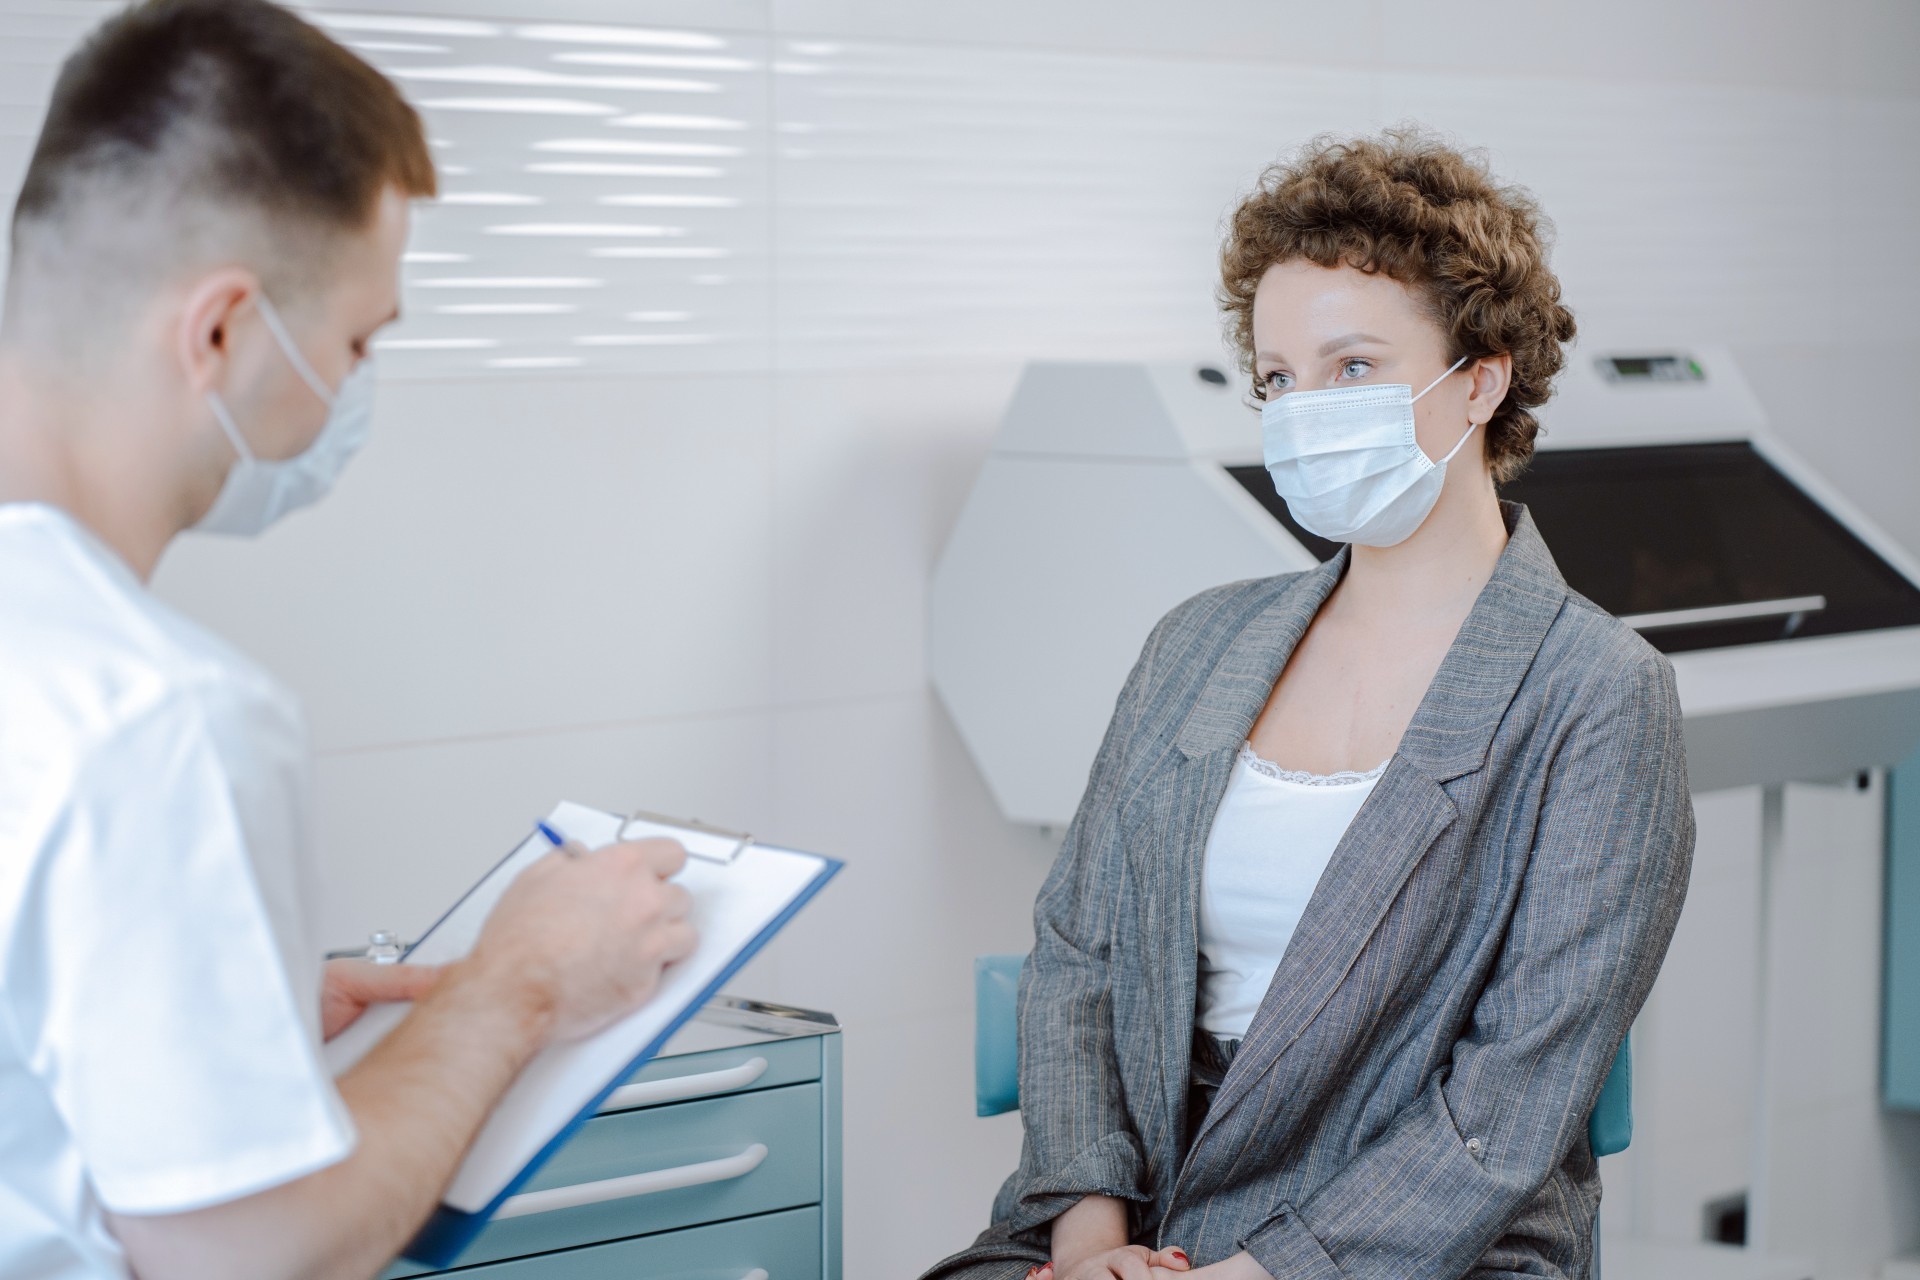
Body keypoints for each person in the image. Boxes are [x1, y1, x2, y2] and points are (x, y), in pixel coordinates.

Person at [0, 3, 700, 1277]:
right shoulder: (157, 712)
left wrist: (218, 1023)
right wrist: (521, 980)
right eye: (357, 341)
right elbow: (262, 1254)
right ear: (217, 329)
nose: (350, 385)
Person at [923, 130, 1695, 1280]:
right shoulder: (1198, 642)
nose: (1301, 410)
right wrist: (1089, 1234)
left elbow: (1507, 1104)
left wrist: (1253, 1274)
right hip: (1137, 1205)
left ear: (1479, 378)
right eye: (1278, 378)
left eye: (1351, 368)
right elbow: (1078, 956)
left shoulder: (1597, 692)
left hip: (1421, 1238)